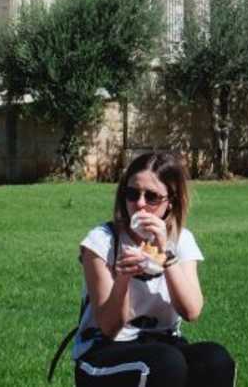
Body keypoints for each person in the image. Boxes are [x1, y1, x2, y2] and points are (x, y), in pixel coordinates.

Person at [71, 151, 236, 387]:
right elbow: (108, 328)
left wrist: (166, 252)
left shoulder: (181, 240)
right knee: (165, 363)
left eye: (151, 197)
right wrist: (123, 277)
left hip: (162, 345)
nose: (139, 204)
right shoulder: (102, 241)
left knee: (215, 360)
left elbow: (191, 311)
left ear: (171, 202)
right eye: (132, 194)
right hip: (102, 354)